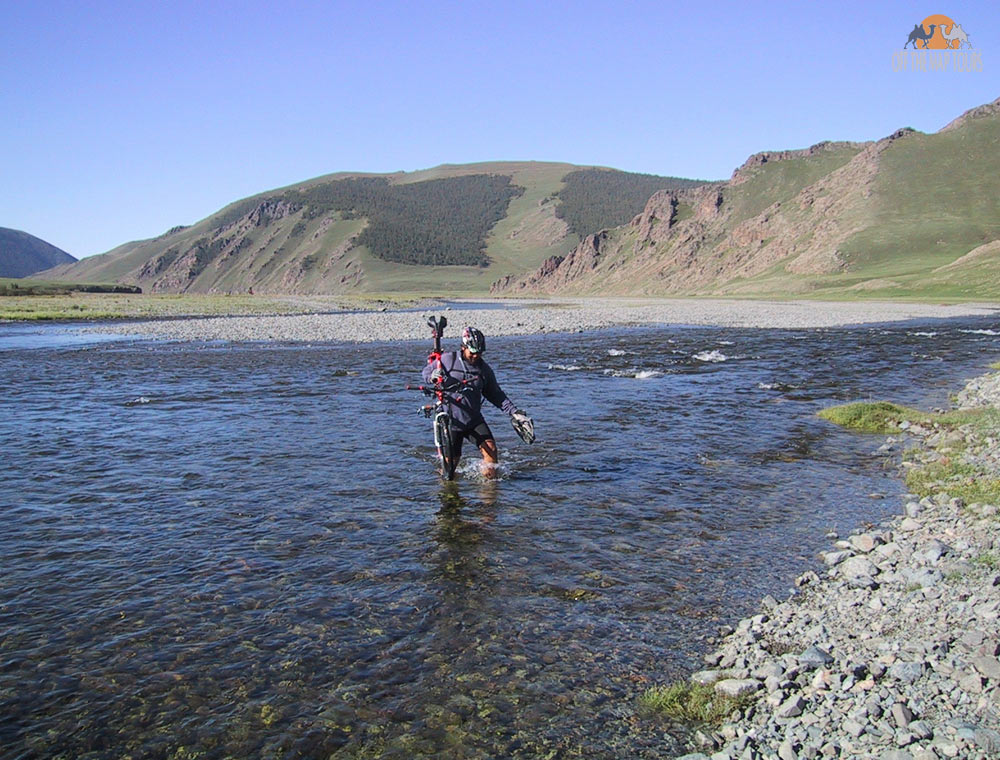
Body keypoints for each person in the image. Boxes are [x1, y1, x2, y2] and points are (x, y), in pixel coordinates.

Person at [422, 326, 530, 478]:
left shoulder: (484, 370)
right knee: (450, 465)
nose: (475, 356)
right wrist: (432, 376)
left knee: (491, 451)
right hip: (451, 420)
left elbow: (496, 395)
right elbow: (426, 372)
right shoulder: (447, 360)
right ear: (463, 347)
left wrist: (515, 413)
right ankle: (446, 491)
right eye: (472, 352)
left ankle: (489, 493)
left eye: (479, 353)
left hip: (473, 418)